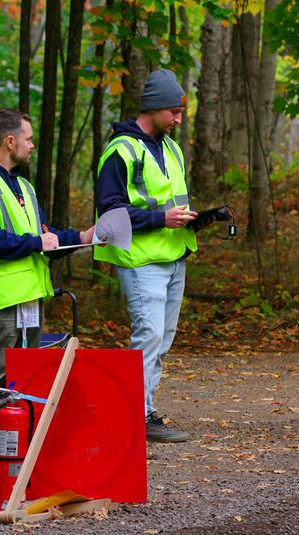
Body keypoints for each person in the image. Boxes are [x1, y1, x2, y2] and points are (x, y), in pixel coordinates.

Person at [0, 109, 95, 470]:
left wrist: (81, 237)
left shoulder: (23, 186)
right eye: (29, 138)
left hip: (29, 294)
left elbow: (43, 234)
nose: (32, 145)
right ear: (10, 141)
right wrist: (35, 243)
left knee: (25, 372)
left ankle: (15, 438)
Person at [95, 69, 227, 443]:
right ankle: (134, 415)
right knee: (148, 335)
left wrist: (202, 219)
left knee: (161, 338)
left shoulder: (170, 147)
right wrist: (161, 219)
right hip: (141, 260)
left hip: (173, 255)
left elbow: (172, 204)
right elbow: (110, 214)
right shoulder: (120, 150)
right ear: (153, 108)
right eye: (174, 112)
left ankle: (144, 411)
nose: (179, 119)